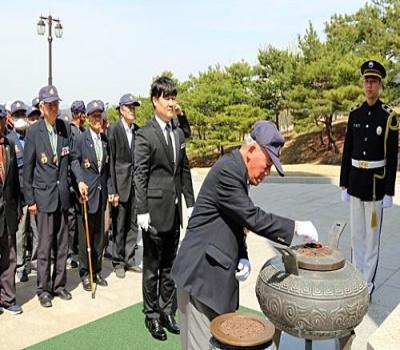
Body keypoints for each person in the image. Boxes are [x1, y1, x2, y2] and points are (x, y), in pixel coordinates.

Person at [171, 120, 319, 349]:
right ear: (251, 150)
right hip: (200, 276)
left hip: (215, 274)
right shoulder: (229, 170)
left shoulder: (239, 171)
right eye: (268, 163)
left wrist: (243, 254)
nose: (267, 172)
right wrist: (295, 227)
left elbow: (236, 220)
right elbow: (251, 216)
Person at [134, 76, 195, 341]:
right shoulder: (145, 134)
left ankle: (166, 310)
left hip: (174, 211)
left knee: (171, 265)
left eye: (174, 97)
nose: (172, 102)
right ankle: (152, 316)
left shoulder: (177, 132)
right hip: (154, 212)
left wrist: (190, 203)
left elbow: (183, 170)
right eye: (167, 98)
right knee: (152, 267)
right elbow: (140, 175)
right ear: (155, 101)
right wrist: (142, 210)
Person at [340, 60, 398, 299]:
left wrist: (388, 192)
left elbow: (392, 157)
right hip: (355, 183)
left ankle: (367, 283)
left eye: (374, 81)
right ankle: (356, 277)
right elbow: (347, 151)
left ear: (381, 85)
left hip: (375, 186)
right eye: (366, 80)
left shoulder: (389, 117)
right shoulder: (354, 113)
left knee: (372, 239)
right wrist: (343, 183)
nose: (369, 85)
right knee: (356, 236)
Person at [23, 85, 73, 308]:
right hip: (43, 197)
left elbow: (70, 160)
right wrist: (30, 200)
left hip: (62, 196)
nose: (54, 108)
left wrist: (78, 181)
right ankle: (43, 288)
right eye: (50, 104)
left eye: (56, 104)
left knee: (62, 245)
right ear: (41, 107)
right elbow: (28, 169)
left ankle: (59, 284)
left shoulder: (64, 128)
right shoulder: (34, 132)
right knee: (44, 247)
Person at [71, 100, 111, 291]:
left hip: (101, 195)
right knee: (85, 238)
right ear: (87, 118)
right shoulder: (80, 139)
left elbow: (107, 169)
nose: (97, 119)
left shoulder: (105, 140)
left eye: (100, 116)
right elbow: (74, 162)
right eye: (94, 116)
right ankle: (85, 273)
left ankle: (97, 270)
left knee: (99, 237)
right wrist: (79, 181)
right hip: (86, 195)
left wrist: (110, 190)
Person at [108, 94, 142, 278]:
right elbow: (111, 162)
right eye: (129, 107)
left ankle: (129, 259)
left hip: (135, 184)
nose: (132, 110)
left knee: (133, 224)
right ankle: (118, 261)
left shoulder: (137, 130)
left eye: (134, 107)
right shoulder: (114, 130)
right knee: (119, 224)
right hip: (120, 185)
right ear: (121, 109)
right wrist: (112, 190)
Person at [7, 101, 39, 282]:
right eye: (17, 115)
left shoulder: (32, 137)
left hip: (34, 191)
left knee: (37, 230)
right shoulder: (10, 140)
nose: (21, 118)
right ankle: (20, 265)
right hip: (19, 196)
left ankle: (33, 261)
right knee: (20, 232)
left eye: (23, 114)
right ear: (11, 117)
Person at [0, 104, 23, 315]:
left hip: (7, 210)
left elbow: (14, 179)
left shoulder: (9, 144)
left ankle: (7, 298)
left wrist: (18, 206)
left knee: (10, 257)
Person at [67, 100, 87, 270]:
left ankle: (76, 252)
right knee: (72, 221)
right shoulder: (72, 132)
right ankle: (71, 253)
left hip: (80, 181)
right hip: (72, 183)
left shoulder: (82, 131)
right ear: (80, 115)